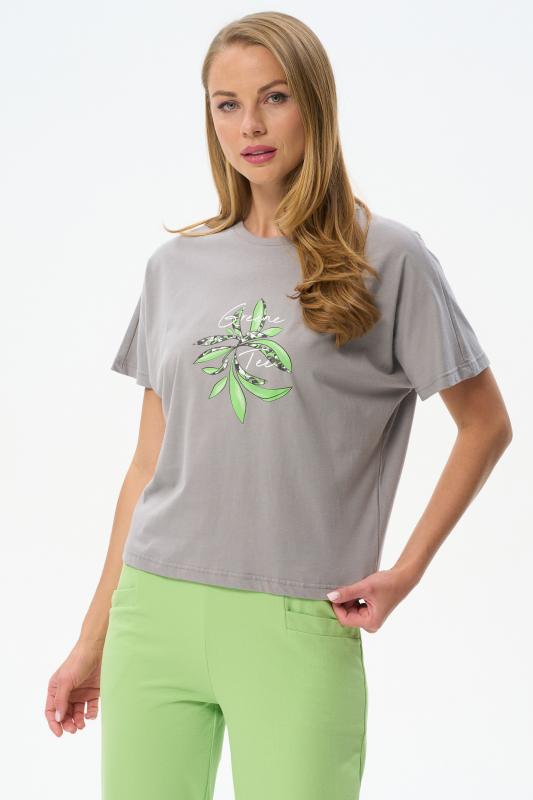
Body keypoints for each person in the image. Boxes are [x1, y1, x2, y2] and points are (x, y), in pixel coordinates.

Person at [44, 11, 512, 800]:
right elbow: (147, 465)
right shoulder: (174, 266)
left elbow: (485, 424)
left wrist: (404, 572)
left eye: (274, 97)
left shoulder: (387, 257)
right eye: (226, 104)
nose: (249, 126)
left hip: (296, 620)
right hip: (153, 609)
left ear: (315, 104)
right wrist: (92, 638)